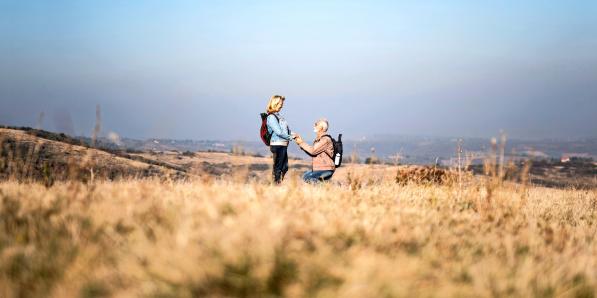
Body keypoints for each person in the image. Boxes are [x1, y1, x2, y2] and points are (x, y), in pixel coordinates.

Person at [293, 118, 335, 183]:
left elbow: (313, 151)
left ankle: (330, 186)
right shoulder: (319, 139)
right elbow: (313, 153)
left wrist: (301, 143)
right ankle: (327, 186)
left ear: (321, 128)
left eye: (316, 124)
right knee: (305, 175)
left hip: (326, 168)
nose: (314, 126)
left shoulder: (325, 140)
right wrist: (300, 143)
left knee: (308, 177)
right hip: (320, 168)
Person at [265, 95, 293, 184]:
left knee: (284, 167)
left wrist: (293, 134)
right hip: (277, 144)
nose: (282, 105)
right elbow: (279, 132)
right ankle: (275, 185)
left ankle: (277, 183)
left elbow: (286, 130)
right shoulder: (271, 117)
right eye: (280, 103)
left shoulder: (279, 116)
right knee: (278, 168)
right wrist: (290, 137)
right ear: (275, 103)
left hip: (283, 144)